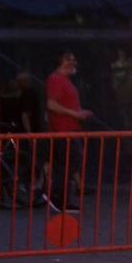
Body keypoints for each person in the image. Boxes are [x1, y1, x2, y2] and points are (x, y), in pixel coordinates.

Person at [45, 52, 92, 210]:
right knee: (70, 161)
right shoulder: (56, 79)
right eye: (70, 60)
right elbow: (51, 104)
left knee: (70, 162)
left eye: (74, 59)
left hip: (69, 129)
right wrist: (75, 113)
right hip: (64, 131)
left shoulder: (63, 80)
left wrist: (79, 112)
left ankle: (60, 197)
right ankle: (58, 196)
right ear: (62, 62)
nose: (74, 63)